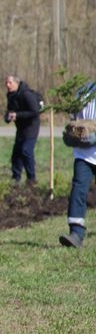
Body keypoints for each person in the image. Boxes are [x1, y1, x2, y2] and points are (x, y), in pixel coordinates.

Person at [59, 86, 96, 248]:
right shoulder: (83, 92)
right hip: (84, 153)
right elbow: (73, 117)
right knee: (78, 189)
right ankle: (76, 233)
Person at [5, 74, 41, 185]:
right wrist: (7, 117)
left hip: (31, 127)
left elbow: (35, 112)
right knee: (16, 153)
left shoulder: (26, 94)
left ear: (17, 83)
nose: (7, 85)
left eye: (10, 83)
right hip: (20, 128)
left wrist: (18, 115)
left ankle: (32, 178)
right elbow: (10, 111)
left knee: (26, 150)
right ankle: (16, 178)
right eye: (6, 83)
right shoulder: (11, 95)